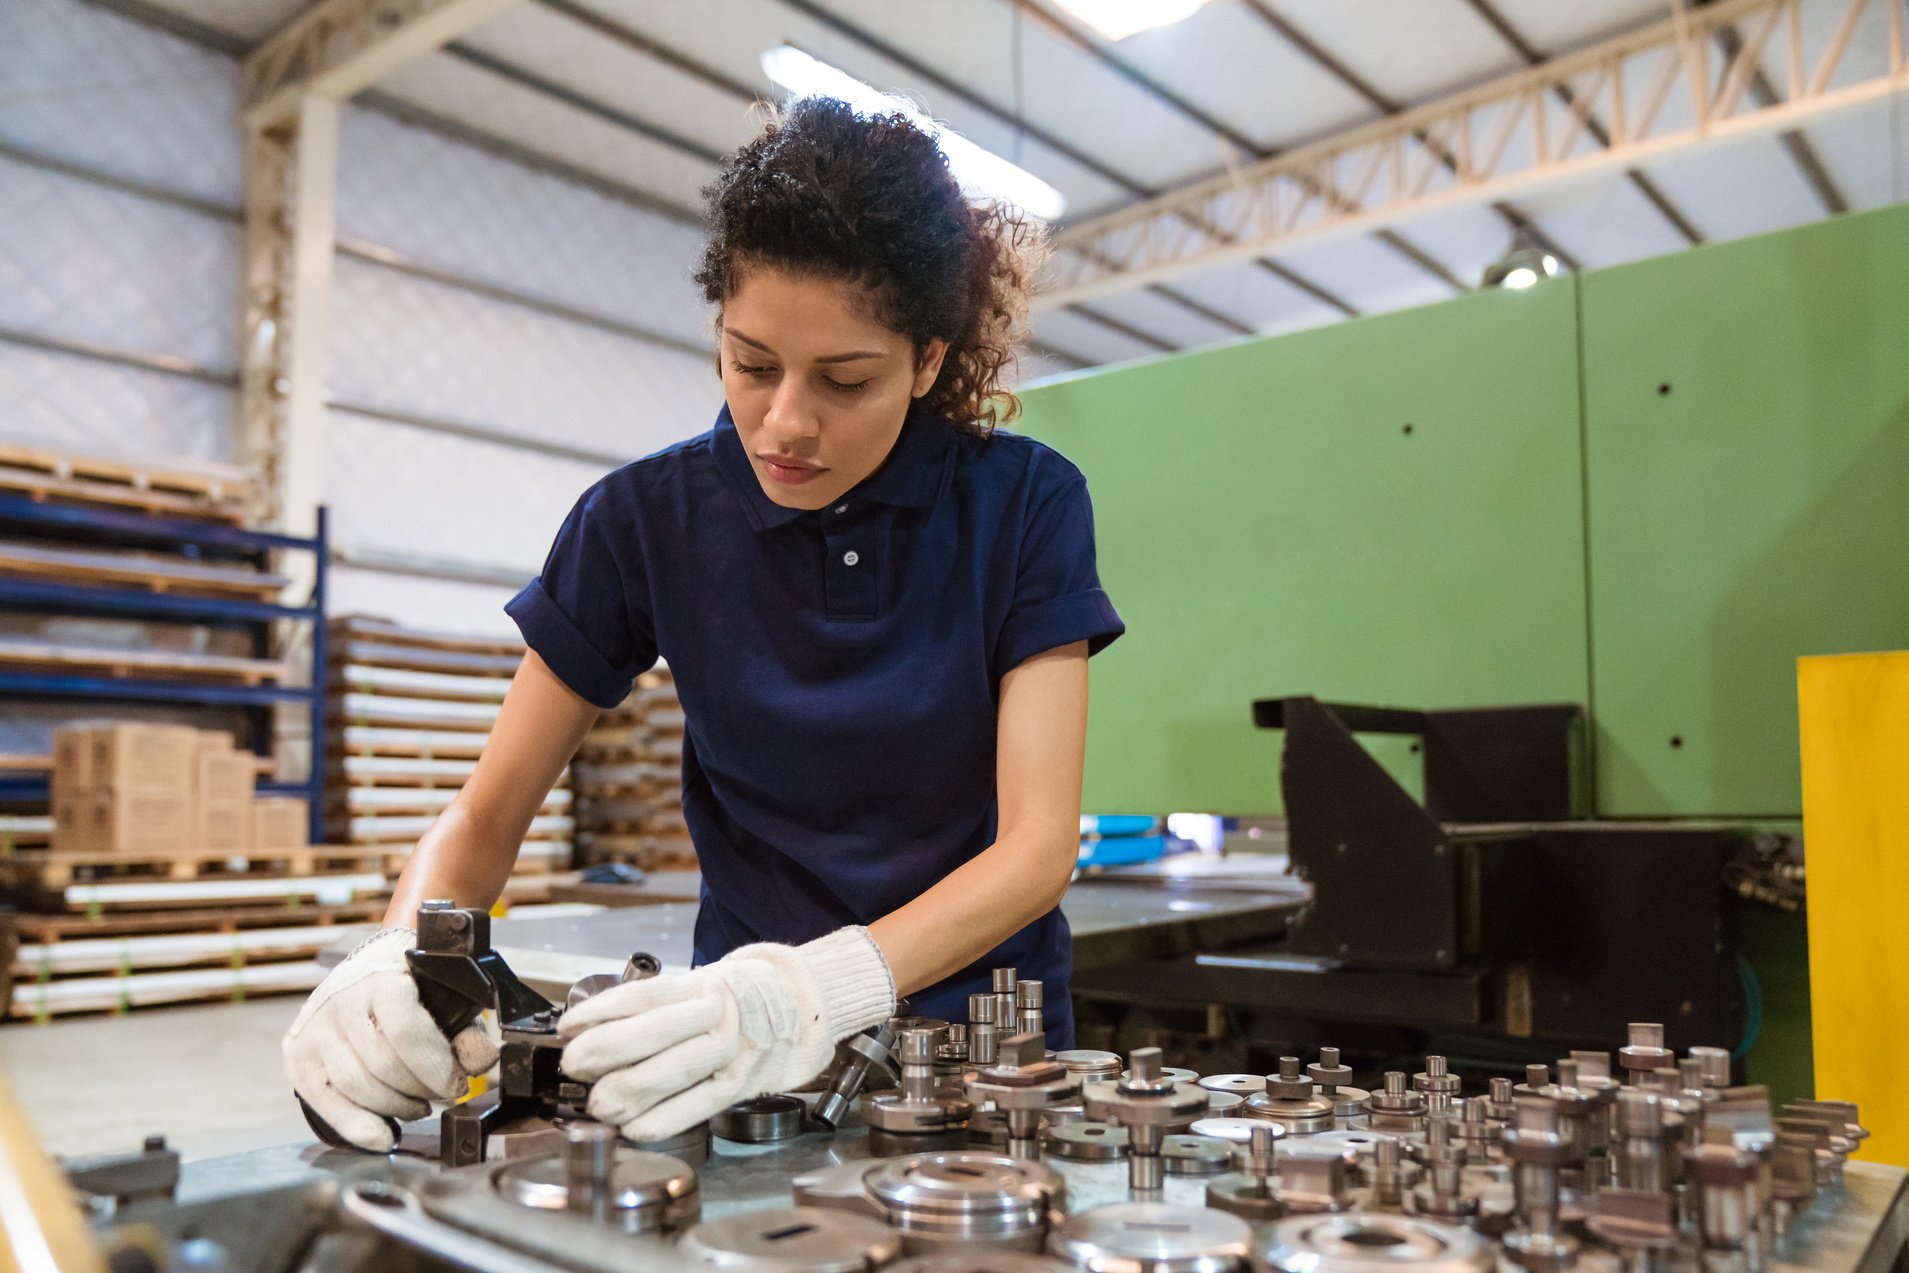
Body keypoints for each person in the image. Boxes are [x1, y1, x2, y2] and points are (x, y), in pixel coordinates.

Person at [283, 96, 1124, 1151]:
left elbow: (1037, 849)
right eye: (751, 362)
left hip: (977, 1054)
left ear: (925, 360)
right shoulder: (643, 520)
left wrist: (811, 990)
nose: (784, 423)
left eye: (845, 379)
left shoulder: (1025, 506)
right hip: (723, 1054)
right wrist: (394, 957)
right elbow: (487, 816)